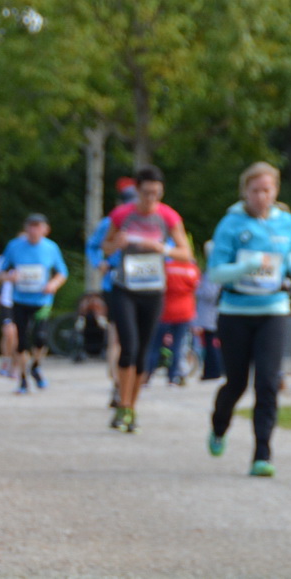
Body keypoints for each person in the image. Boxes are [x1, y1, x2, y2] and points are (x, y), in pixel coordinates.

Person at [206, 162, 291, 477]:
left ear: (275, 191)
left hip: (273, 310)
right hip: (236, 312)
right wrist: (244, 269)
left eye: (267, 190)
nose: (262, 196)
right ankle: (219, 425)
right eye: (255, 191)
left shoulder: (285, 222)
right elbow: (215, 271)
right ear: (245, 192)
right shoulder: (231, 224)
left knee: (267, 382)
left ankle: (262, 453)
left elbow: (289, 254)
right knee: (236, 383)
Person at [105, 165, 191, 432]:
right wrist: (116, 245)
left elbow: (186, 253)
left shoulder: (168, 217)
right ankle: (122, 404)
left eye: (156, 193)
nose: (151, 199)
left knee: (143, 351)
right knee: (128, 346)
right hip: (125, 288)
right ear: (137, 191)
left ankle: (132, 407)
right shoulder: (122, 215)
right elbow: (106, 247)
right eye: (146, 193)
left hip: (153, 290)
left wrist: (161, 247)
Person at [0, 213, 70, 393]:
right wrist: (8, 277)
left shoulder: (51, 248)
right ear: (25, 228)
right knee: (21, 341)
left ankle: (35, 365)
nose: (34, 230)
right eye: (31, 226)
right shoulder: (14, 246)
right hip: (20, 300)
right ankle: (22, 379)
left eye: (38, 226)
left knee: (40, 337)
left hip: (42, 301)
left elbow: (62, 272)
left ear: (45, 229)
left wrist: (53, 284)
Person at [88, 176, 139, 403]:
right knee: (117, 338)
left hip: (142, 286)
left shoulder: (149, 220)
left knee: (135, 339)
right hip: (115, 285)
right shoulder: (109, 222)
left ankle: (125, 385)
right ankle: (118, 384)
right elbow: (93, 246)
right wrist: (99, 261)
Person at [146, 246, 202, 386]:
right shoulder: (192, 269)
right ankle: (173, 377)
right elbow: (196, 287)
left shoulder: (166, 267)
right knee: (178, 346)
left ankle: (147, 376)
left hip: (165, 311)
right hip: (184, 311)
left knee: (154, 345)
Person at [194, 241, 223, 381]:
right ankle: (210, 370)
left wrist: (197, 290)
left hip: (210, 314)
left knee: (211, 345)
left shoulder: (212, 271)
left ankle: (213, 371)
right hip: (211, 314)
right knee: (209, 343)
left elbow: (210, 293)